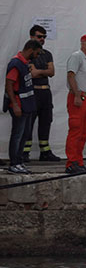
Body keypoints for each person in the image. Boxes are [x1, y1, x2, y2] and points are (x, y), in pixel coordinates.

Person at [4, 39, 42, 174]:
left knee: (25, 134)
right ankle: (14, 163)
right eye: (36, 53)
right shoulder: (16, 63)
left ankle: (19, 161)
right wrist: (14, 104)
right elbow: (9, 84)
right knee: (17, 134)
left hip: (27, 105)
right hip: (19, 104)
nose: (37, 56)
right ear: (31, 50)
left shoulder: (26, 64)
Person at [23, 25, 60, 162]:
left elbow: (52, 72)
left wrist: (40, 71)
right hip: (33, 92)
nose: (42, 39)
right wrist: (42, 71)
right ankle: (24, 152)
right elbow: (32, 73)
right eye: (39, 36)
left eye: (44, 37)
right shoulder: (27, 53)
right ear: (32, 36)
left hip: (46, 92)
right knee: (29, 122)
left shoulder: (47, 54)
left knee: (46, 121)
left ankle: (45, 151)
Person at [65, 35, 86, 174]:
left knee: (83, 131)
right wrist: (77, 94)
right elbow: (71, 75)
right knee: (76, 130)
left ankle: (78, 161)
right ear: (83, 44)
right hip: (78, 97)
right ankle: (71, 162)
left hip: (85, 98)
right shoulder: (77, 57)